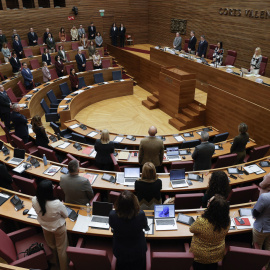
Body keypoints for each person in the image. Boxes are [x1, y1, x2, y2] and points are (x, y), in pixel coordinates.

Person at [32, 180, 69, 270]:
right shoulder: (57, 204)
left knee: (51, 246)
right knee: (61, 249)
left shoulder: (34, 200)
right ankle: (64, 268)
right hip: (58, 228)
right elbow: (66, 215)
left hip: (45, 227)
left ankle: (54, 265)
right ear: (49, 191)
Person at [109, 190, 148, 270]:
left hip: (120, 251)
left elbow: (112, 226)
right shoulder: (141, 214)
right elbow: (144, 226)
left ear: (118, 203)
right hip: (138, 251)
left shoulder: (112, 215)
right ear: (135, 203)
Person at [190, 195, 230, 270]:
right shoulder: (227, 221)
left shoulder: (202, 221)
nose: (208, 203)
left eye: (209, 202)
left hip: (200, 257)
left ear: (211, 208)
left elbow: (191, 229)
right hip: (216, 255)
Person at [252, 191, 270, 270]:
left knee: (258, 249)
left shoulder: (264, 197)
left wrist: (254, 208)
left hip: (261, 228)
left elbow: (255, 214)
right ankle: (266, 267)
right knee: (268, 247)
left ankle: (258, 267)